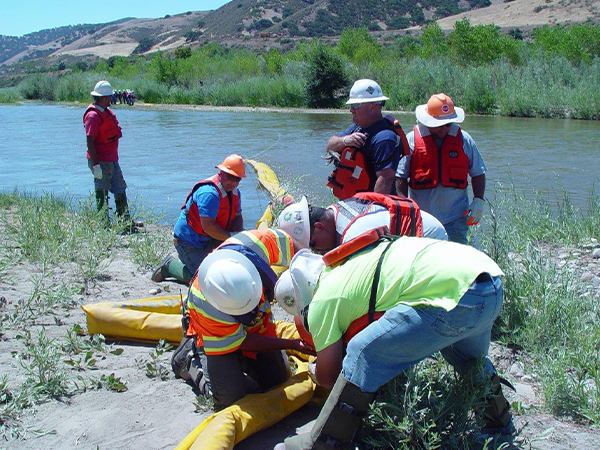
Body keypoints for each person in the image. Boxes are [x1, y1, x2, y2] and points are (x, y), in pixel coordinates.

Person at [274, 238, 513, 450]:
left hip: (455, 300)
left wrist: (315, 371)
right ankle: (499, 426)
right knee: (468, 359)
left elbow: (328, 377)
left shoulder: (323, 300)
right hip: (489, 286)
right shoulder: (348, 265)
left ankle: (320, 445)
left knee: (361, 352)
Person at [172, 228, 315, 411]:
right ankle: (191, 356)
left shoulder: (257, 244)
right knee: (230, 400)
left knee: (278, 380)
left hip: (255, 324)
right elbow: (242, 341)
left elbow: (299, 252)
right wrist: (291, 344)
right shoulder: (206, 304)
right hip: (220, 336)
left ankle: (238, 363)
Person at [395, 93, 487, 244]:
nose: (444, 128)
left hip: (456, 218)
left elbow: (478, 172)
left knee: (458, 258)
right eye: (439, 124)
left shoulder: (464, 139)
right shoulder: (411, 140)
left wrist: (478, 201)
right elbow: (400, 177)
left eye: (448, 124)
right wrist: (405, 206)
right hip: (421, 218)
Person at [152, 154, 246, 284]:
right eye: (230, 177)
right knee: (205, 279)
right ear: (222, 173)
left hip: (211, 238)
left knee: (231, 265)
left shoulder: (235, 193)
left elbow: (237, 216)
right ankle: (169, 266)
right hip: (189, 241)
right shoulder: (209, 193)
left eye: (237, 179)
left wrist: (239, 236)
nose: (233, 183)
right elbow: (209, 227)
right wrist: (231, 237)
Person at [277, 193, 447, 255]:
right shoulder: (335, 209)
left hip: (429, 240)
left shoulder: (353, 235)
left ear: (320, 227)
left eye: (312, 244)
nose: (315, 250)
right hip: (423, 224)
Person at [325, 79, 405, 199]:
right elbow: (329, 147)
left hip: (370, 206)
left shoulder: (385, 138)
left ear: (373, 106)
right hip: (353, 202)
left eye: (356, 105)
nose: (351, 110)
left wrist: (370, 211)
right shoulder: (357, 128)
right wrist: (345, 140)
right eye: (351, 105)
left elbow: (385, 180)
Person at [84, 80, 138, 230]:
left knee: (120, 187)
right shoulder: (93, 116)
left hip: (112, 159)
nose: (110, 99)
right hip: (101, 161)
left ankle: (125, 220)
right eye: (108, 97)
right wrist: (95, 165)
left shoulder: (104, 112)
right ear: (102, 98)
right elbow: (90, 141)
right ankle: (103, 223)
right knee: (101, 189)